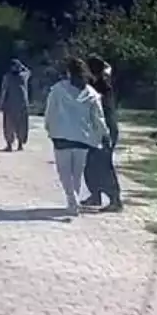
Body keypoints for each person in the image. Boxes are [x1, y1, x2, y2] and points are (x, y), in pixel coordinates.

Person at [44, 56, 110, 216]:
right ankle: (73, 200)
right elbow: (98, 117)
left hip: (61, 136)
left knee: (64, 173)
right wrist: (103, 134)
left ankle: (72, 199)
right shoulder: (91, 93)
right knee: (77, 174)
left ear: (68, 72)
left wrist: (49, 129)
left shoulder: (58, 89)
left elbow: (50, 112)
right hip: (82, 138)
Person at [81, 55, 123, 212]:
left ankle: (115, 200)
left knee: (104, 165)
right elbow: (107, 66)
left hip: (106, 130)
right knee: (91, 164)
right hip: (98, 129)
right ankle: (95, 195)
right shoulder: (97, 82)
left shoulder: (101, 86)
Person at [0, 59, 32, 151]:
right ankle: (16, 145)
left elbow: (4, 91)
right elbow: (28, 71)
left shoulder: (8, 77)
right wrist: (22, 66)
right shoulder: (22, 76)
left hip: (12, 104)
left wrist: (1, 103)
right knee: (20, 125)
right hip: (20, 104)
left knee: (11, 125)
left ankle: (13, 145)